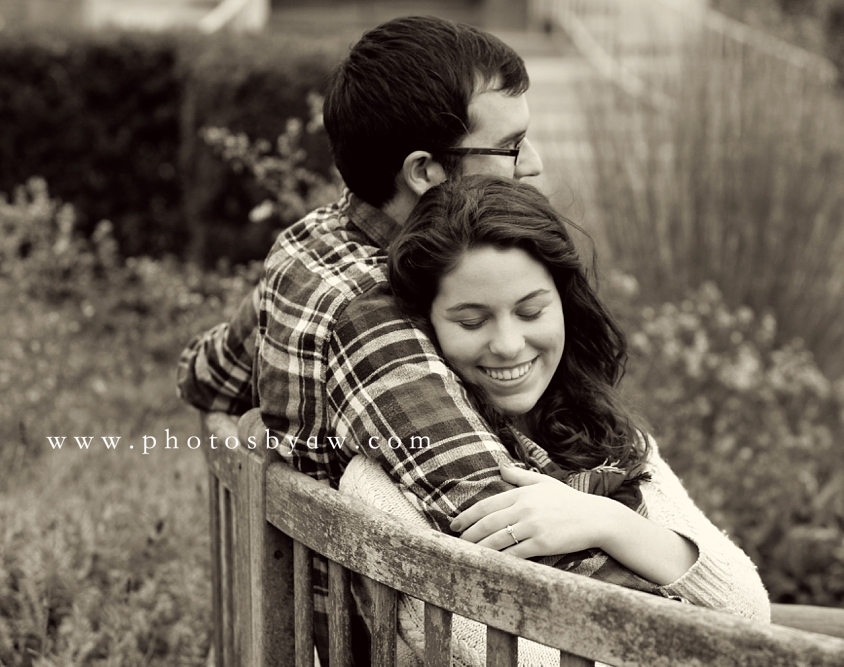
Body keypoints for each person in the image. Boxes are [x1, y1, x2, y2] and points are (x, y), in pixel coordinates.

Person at [176, 14, 717, 662]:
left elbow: (205, 376)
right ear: (426, 171)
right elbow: (519, 539)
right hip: (448, 645)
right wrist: (652, 544)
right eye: (512, 147)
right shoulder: (375, 323)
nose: (535, 167)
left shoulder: (308, 246)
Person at [335, 174, 769, 661]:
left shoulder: (603, 431)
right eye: (471, 321)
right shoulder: (386, 483)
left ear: (565, 304)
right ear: (425, 325)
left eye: (531, 311)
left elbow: (748, 610)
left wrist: (606, 521)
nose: (508, 344)